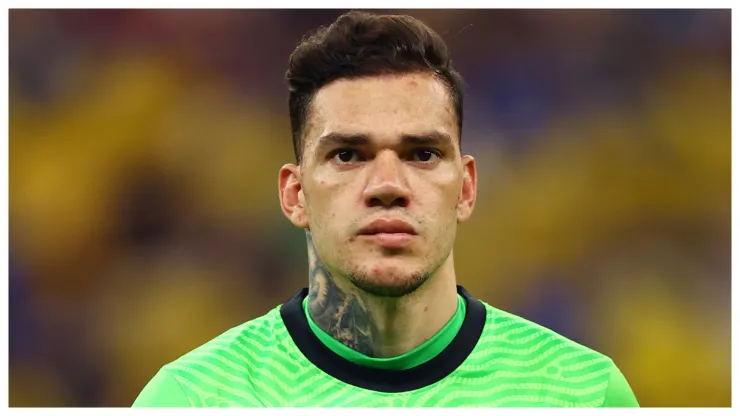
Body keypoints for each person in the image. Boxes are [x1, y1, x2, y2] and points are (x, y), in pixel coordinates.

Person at [133, 10, 639, 407]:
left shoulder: (582, 394)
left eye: (422, 154)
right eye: (348, 154)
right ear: (295, 195)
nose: (388, 185)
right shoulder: (193, 399)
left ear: (465, 189)